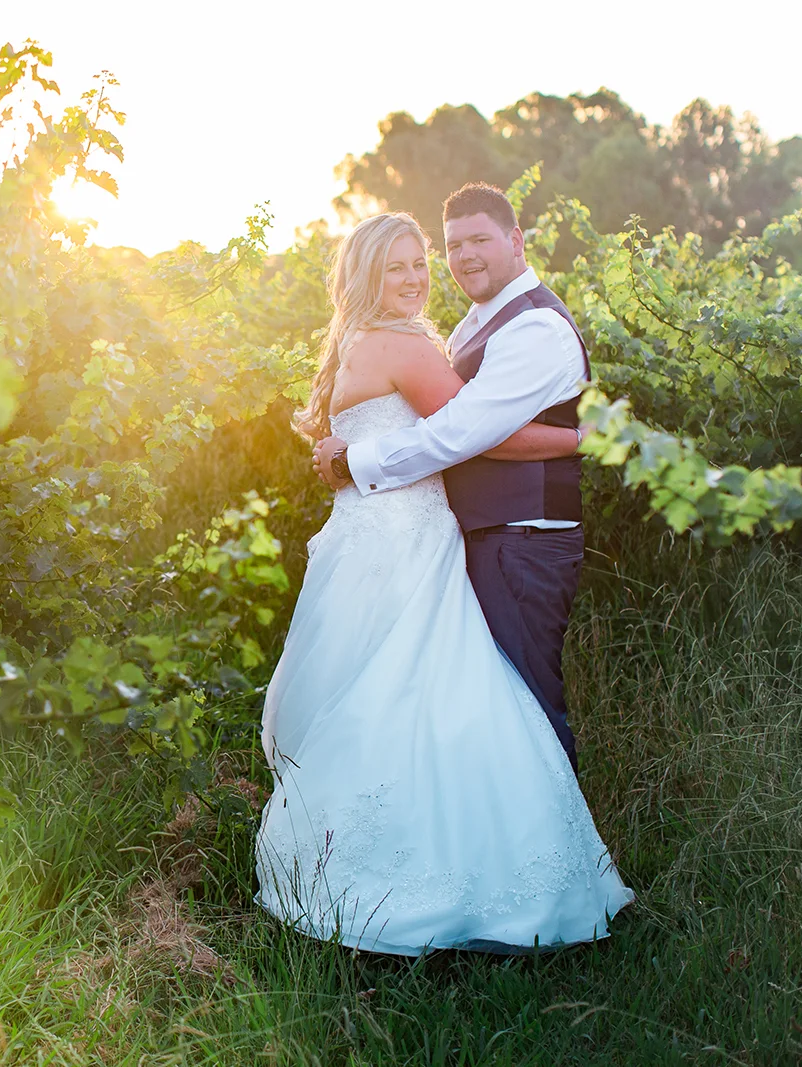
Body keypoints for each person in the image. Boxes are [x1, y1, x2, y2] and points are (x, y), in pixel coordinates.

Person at [255, 207, 632, 955]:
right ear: (365, 275)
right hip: (409, 541)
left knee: (376, 696)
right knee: (438, 698)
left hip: (364, 542)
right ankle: (457, 873)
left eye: (420, 261)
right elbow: (481, 436)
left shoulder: (357, 342)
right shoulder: (404, 346)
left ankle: (352, 863)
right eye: (396, 266)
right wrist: (588, 438)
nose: (417, 277)